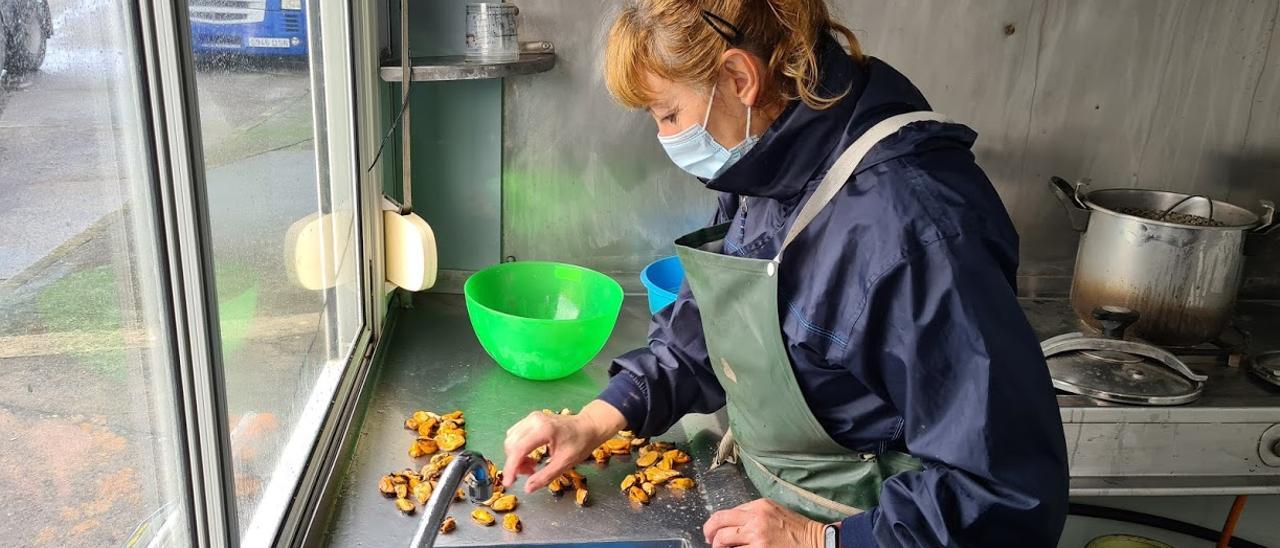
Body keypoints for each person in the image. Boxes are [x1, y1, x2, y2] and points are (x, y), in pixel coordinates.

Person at [501, 0, 1069, 546]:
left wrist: (822, 539)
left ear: (740, 78)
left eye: (670, 114)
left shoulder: (916, 232)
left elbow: (1004, 494)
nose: (666, 138)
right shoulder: (770, 157)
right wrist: (596, 420)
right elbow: (717, 329)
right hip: (777, 497)